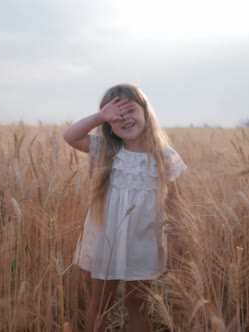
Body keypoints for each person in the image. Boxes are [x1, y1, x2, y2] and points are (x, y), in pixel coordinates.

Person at [63, 83, 187, 332]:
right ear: (108, 125)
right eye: (115, 116)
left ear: (146, 113)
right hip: (106, 238)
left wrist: (179, 236)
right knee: (101, 302)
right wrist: (99, 116)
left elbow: (174, 200)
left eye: (130, 110)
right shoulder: (107, 151)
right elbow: (70, 136)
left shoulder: (163, 155)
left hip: (144, 239)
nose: (124, 118)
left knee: (138, 304)